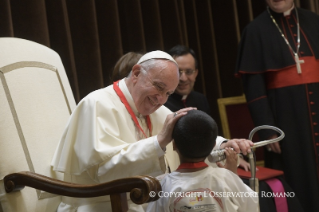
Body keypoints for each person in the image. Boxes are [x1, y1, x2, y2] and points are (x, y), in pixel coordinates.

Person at [51, 50, 254, 211]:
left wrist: (223, 144)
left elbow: (188, 134)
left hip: (146, 203)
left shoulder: (156, 107)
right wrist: (158, 142)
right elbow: (102, 171)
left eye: (168, 93)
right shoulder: (97, 104)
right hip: (102, 205)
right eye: (158, 87)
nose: (161, 100)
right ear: (137, 73)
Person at [235, 0, 319, 211]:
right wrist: (267, 129)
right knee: (296, 174)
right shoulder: (255, 30)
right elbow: (254, 89)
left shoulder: (313, 21)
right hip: (286, 120)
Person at [146, 110, 259, 212]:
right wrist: (232, 174)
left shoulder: (163, 185)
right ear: (213, 146)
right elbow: (251, 206)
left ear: (174, 145)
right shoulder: (226, 178)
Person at [166, 45, 251, 171]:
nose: (183, 78)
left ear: (196, 73)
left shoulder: (200, 99)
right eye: (178, 72)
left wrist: (232, 155)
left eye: (189, 72)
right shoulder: (162, 104)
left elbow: (211, 135)